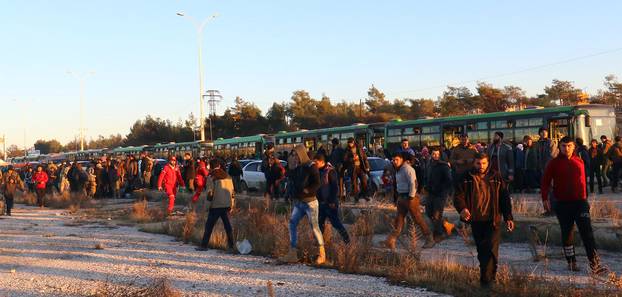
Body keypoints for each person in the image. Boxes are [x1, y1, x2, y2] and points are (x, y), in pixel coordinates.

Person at [541, 137, 608, 275]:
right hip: (562, 204)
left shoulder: (580, 161)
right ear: (559, 147)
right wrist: (545, 199)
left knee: (587, 233)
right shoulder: (553, 163)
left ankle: (595, 265)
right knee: (567, 234)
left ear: (574, 147)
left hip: (580, 203)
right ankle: (571, 262)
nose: (566, 148)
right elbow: (545, 182)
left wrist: (585, 200)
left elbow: (582, 182)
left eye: (569, 146)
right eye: (563, 146)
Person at [454, 153, 514, 288]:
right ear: (473, 163)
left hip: (493, 220)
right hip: (475, 220)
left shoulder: (496, 177)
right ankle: (486, 280)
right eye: (478, 163)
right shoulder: (466, 177)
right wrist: (462, 209)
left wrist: (508, 217)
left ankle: (488, 282)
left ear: (488, 163)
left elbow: (504, 198)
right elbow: (458, 196)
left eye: (484, 163)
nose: (481, 166)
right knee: (482, 251)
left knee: (491, 250)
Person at [279, 144, 325, 264]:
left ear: (301, 154)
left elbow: (317, 183)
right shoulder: (297, 167)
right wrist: (290, 166)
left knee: (315, 227)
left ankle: (322, 254)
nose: (295, 157)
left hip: (310, 203)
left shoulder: (311, 166)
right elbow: (289, 177)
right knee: (292, 223)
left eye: (296, 155)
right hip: (299, 203)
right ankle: (292, 253)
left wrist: (308, 190)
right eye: (293, 155)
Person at [383, 152, 435, 250]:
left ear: (402, 159)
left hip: (410, 198)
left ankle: (430, 239)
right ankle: (391, 240)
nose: (394, 162)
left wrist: (411, 197)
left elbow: (413, 183)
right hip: (401, 197)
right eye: (393, 160)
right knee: (399, 219)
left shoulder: (408, 169)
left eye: (396, 159)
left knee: (418, 219)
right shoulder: (397, 170)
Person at [197, 159, 235, 251]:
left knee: (209, 226)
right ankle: (231, 245)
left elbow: (210, 194)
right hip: (226, 205)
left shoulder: (212, 177)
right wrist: (232, 205)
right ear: (219, 166)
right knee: (227, 226)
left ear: (211, 166)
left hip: (215, 206)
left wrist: (206, 207)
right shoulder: (228, 176)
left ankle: (203, 246)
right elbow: (232, 192)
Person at [314, 153, 350, 244]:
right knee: (319, 223)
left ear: (322, 162)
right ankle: (319, 243)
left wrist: (331, 201)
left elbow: (335, 188)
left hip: (330, 203)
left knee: (336, 223)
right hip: (321, 203)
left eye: (316, 162)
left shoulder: (330, 171)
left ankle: (347, 240)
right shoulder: (318, 171)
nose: (315, 164)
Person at [425, 148, 454, 241]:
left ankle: (439, 234)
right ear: (431, 155)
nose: (435, 156)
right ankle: (446, 225)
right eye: (434, 154)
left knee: (437, 214)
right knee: (429, 213)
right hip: (430, 192)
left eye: (437, 154)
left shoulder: (444, 166)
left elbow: (449, 180)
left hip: (440, 193)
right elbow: (426, 176)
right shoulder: (429, 165)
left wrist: (442, 189)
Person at [344, 137, 370, 202]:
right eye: (349, 143)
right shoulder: (347, 150)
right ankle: (356, 197)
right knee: (354, 184)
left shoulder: (359, 148)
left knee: (364, 181)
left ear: (354, 142)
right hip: (353, 168)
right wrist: (352, 159)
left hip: (360, 167)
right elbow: (345, 159)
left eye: (351, 143)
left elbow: (365, 158)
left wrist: (367, 166)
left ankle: (365, 195)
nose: (350, 144)